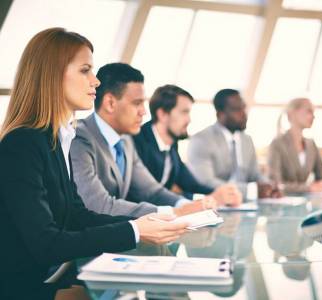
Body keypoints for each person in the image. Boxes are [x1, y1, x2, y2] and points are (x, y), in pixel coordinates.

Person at [0, 28, 187, 300]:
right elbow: (45, 243)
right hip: (26, 289)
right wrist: (134, 230)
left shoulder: (55, 139)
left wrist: (143, 224)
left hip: (48, 280)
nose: (96, 81)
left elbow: (76, 214)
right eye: (85, 70)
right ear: (53, 75)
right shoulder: (23, 144)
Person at [71, 64, 214, 218]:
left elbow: (152, 192)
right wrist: (173, 212)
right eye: (137, 103)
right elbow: (99, 205)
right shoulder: (79, 138)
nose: (144, 112)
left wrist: (187, 205)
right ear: (110, 103)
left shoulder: (126, 142)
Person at [133, 84, 242, 206]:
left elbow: (191, 185)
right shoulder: (138, 141)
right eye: (184, 112)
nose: (189, 120)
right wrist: (208, 198)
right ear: (162, 114)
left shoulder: (171, 144)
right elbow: (147, 195)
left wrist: (222, 194)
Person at [187, 88, 280, 199]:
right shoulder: (202, 140)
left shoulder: (247, 140)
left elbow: (254, 174)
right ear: (220, 114)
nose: (244, 114)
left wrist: (269, 186)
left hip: (246, 205)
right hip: (215, 204)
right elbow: (205, 181)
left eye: (244, 108)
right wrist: (250, 191)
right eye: (237, 109)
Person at [268, 98, 322, 194]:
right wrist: (308, 188)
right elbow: (275, 184)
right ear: (292, 114)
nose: (313, 116)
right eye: (309, 111)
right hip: (283, 203)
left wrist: (319, 185)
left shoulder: (311, 145)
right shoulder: (277, 144)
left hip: (307, 202)